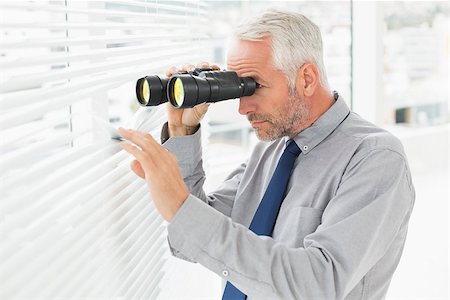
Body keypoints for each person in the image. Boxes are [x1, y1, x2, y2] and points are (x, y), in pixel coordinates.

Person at [119, 9, 415, 300]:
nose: (242, 108)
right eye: (238, 88)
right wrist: (182, 132)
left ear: (307, 79)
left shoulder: (375, 158)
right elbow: (191, 239)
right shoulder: (270, 150)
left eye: (254, 86)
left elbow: (318, 284)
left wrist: (178, 203)